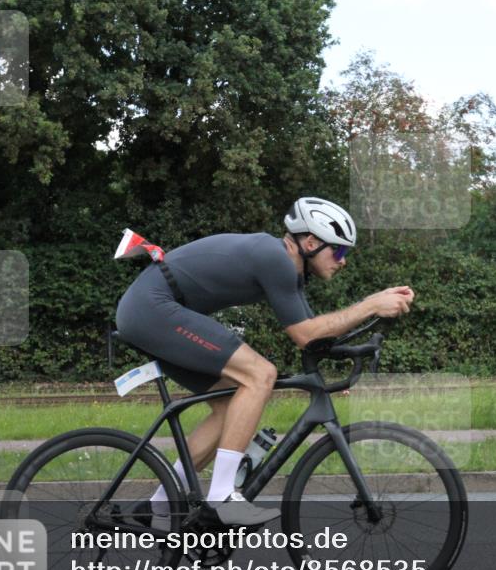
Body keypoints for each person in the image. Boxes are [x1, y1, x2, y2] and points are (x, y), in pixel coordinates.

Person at [115, 197, 414, 527]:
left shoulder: (290, 271)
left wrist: (356, 346)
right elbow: (305, 335)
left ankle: (158, 507)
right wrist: (371, 304)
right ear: (311, 243)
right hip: (152, 308)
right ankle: (222, 497)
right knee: (260, 375)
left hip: (152, 310)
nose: (343, 261)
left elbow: (316, 338)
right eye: (339, 251)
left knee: (230, 402)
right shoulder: (275, 258)